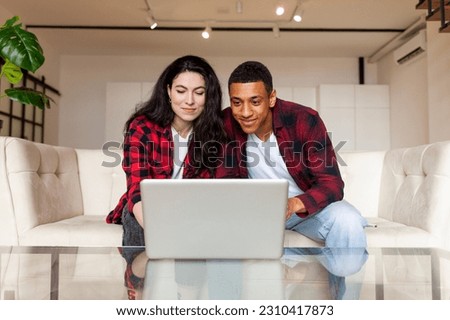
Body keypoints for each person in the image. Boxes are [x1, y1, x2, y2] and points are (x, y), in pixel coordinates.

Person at [223, 61, 368, 247]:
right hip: (255, 216)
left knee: (348, 221)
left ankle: (320, 268)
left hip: (305, 211)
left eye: (255, 102)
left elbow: (332, 184)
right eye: (237, 103)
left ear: (272, 97)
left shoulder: (303, 119)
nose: (245, 112)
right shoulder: (224, 123)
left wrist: (292, 204)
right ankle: (295, 267)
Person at [106, 55, 227, 246]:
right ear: (168, 91)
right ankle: (139, 275)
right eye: (181, 91)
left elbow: (209, 195)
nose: (189, 101)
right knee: (135, 221)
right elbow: (137, 190)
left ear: (208, 96)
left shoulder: (214, 133)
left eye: (199, 92)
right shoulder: (142, 127)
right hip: (146, 206)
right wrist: (163, 235)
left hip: (190, 209)